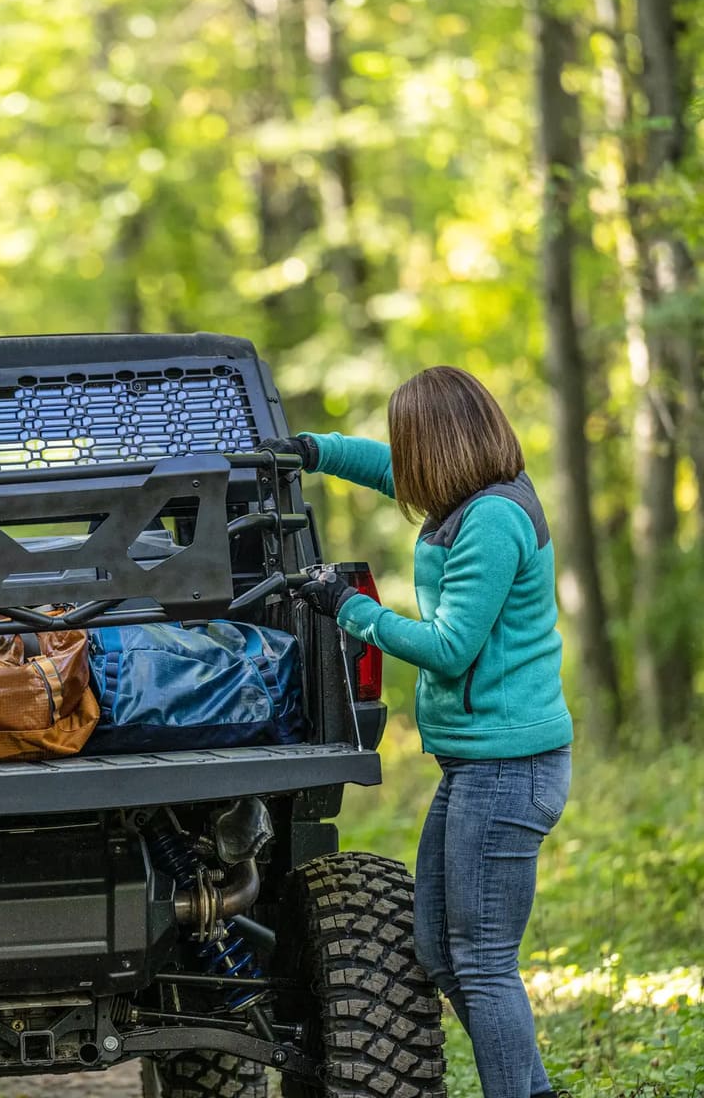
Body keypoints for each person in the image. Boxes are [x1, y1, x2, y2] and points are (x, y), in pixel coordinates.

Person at [258, 364, 572, 1098]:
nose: (403, 464)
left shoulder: (491, 521)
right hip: (480, 765)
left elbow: (449, 645)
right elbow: (383, 466)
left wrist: (347, 606)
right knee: (437, 947)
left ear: (440, 445)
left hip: (509, 767)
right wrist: (311, 450)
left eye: (411, 445)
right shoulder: (465, 497)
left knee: (483, 960)